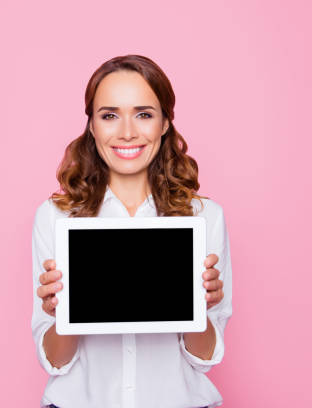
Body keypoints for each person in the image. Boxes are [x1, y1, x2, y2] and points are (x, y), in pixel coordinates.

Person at [31, 55, 233, 408]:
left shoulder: (204, 217)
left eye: (144, 114)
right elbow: (57, 361)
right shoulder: (56, 218)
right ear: (92, 126)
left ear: (165, 123)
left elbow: (205, 357)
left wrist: (199, 304)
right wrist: (59, 313)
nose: (127, 131)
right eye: (109, 115)